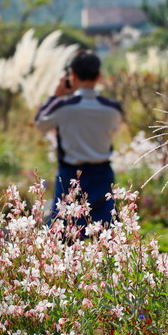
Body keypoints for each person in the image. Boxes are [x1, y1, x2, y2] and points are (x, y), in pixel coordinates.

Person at [34, 51, 124, 236]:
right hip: (103, 175)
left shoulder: (64, 107)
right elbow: (115, 129)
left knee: (64, 235)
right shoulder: (112, 109)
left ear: (72, 75)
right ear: (98, 76)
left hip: (69, 176)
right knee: (106, 235)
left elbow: (40, 123)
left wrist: (56, 95)